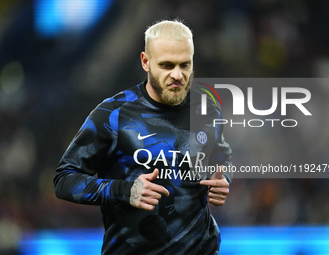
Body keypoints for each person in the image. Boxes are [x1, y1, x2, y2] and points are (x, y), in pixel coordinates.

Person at [54, 19, 232, 255]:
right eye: (167, 65)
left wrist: (223, 179)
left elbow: (221, 155)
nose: (178, 75)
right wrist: (123, 191)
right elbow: (64, 180)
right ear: (145, 62)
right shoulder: (113, 114)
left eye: (185, 65)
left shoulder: (208, 109)